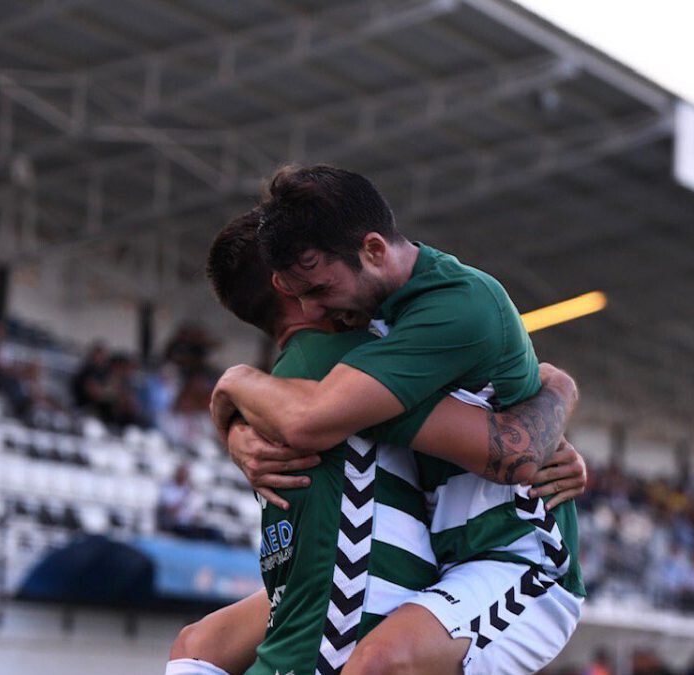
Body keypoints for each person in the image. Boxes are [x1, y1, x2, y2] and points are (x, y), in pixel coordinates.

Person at [168, 210, 586, 675]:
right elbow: (508, 449)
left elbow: (515, 448)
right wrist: (558, 388)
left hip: (511, 563)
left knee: (195, 647)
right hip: (445, 568)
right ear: (291, 283)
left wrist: (234, 393)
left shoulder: (318, 376)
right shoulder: (351, 368)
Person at [156, 463, 221, 541]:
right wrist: (184, 497)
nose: (184, 476)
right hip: (174, 524)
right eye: (182, 473)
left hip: (189, 525)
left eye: (186, 474)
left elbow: (195, 513)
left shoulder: (189, 489)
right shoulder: (168, 489)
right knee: (194, 537)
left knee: (214, 533)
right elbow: (170, 512)